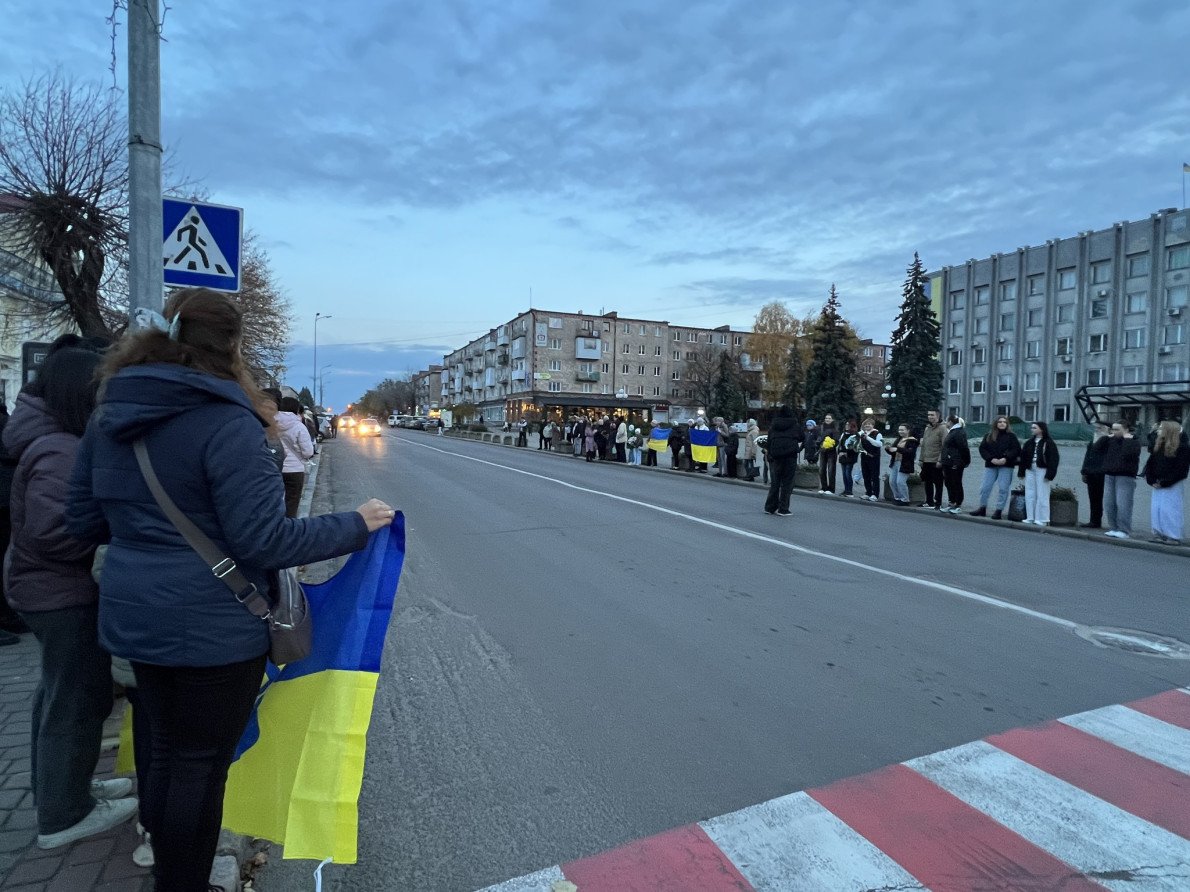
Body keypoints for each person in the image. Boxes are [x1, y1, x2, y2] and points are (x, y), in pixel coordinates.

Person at [66, 288, 396, 891]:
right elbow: (265, 541)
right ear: (233, 348)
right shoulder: (226, 423)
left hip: (134, 621)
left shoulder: (110, 416)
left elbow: (81, 524)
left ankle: (170, 875)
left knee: (162, 756)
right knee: (198, 768)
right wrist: (353, 525)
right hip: (213, 630)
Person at [5, 347, 141, 849]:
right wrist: (112, 521)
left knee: (59, 694)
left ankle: (63, 789)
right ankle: (64, 815)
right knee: (77, 700)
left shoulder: (50, 441)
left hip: (43, 590)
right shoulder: (62, 450)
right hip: (59, 594)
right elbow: (56, 534)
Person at [1143, 420, 1190, 545]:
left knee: (1171, 509)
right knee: (1157, 508)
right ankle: (1158, 532)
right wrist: (1151, 479)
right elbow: (1150, 464)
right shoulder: (1159, 445)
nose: (1158, 431)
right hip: (1157, 482)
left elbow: (1181, 470)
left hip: (1172, 483)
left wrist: (1165, 482)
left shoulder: (1183, 447)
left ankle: (1173, 535)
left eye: (1161, 428)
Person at [1097, 419, 1142, 539]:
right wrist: (1106, 437)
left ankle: (1124, 529)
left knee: (1123, 504)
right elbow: (1096, 448)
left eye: (1117, 429)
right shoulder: (1110, 440)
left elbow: (1128, 454)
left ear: (1126, 430)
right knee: (1109, 503)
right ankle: (1113, 527)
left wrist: (1127, 439)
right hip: (1109, 474)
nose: (1114, 431)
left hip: (1125, 476)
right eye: (1113, 429)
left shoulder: (1133, 441)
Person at [971, 415, 1021, 519]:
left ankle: (998, 510)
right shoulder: (989, 436)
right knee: (985, 487)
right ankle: (982, 508)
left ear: (1007, 424)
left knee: (1003, 488)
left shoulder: (1012, 436)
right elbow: (983, 449)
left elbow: (1016, 449)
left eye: (1004, 422)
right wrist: (991, 459)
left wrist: (1005, 458)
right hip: (991, 465)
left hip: (1006, 466)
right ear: (995, 424)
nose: (1002, 423)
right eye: (1000, 422)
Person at [278, 396, 315, 518]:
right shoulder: (299, 426)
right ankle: (288, 530)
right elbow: (308, 452)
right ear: (296, 409)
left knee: (275, 502)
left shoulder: (270, 423)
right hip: (295, 470)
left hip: (275, 468)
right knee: (292, 503)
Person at [1017, 421, 1060, 525]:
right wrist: (1021, 471)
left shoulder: (1049, 442)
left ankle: (1043, 519)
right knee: (1030, 493)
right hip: (1030, 469)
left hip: (1042, 469)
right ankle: (1030, 517)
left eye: (1034, 428)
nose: (1032, 429)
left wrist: (1050, 474)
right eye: (1032, 428)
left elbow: (1054, 459)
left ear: (1042, 429)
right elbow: (1023, 457)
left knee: (1042, 494)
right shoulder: (1029, 442)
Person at [763, 406, 798, 516]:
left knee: (775, 483)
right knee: (787, 484)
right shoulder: (794, 425)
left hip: (776, 457)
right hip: (790, 457)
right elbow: (802, 437)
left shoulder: (774, 425)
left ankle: (770, 507)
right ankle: (783, 509)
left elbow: (769, 440)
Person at [1079, 422, 1109, 529]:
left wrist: (1105, 435)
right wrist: (1084, 471)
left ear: (1105, 429)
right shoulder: (1093, 440)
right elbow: (1087, 456)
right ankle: (1094, 520)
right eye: (1096, 428)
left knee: (1099, 498)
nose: (1097, 429)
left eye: (1100, 428)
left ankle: (1097, 521)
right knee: (1093, 498)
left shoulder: (1107, 440)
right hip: (1090, 472)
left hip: (1101, 473)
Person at [940, 415, 970, 513]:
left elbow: (963, 448)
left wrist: (964, 461)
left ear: (950, 422)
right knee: (948, 482)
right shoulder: (952, 432)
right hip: (948, 462)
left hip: (955, 462)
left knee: (956, 482)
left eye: (946, 421)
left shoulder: (958, 432)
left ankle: (958, 504)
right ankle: (951, 502)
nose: (945, 423)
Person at [918, 409, 947, 509]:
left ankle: (937, 502)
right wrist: (921, 459)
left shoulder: (942, 428)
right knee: (927, 481)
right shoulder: (927, 428)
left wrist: (940, 460)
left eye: (932, 415)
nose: (930, 417)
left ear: (938, 416)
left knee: (938, 483)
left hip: (935, 461)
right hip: (926, 460)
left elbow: (944, 446)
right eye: (928, 415)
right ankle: (929, 501)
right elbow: (924, 445)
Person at [885, 424, 919, 505]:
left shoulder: (913, 441)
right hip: (895, 462)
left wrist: (897, 449)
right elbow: (893, 451)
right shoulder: (899, 439)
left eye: (902, 430)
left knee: (900, 482)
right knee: (892, 481)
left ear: (908, 430)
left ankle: (905, 499)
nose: (900, 431)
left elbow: (910, 452)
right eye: (899, 430)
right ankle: (897, 498)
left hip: (905, 464)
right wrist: (888, 449)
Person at [858, 419, 883, 501]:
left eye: (869, 424)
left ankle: (875, 494)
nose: (867, 426)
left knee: (874, 476)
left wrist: (868, 438)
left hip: (874, 457)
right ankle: (868, 492)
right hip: (864, 457)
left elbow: (879, 444)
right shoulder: (862, 434)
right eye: (866, 424)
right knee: (866, 475)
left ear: (873, 425)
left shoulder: (877, 434)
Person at [817, 414, 839, 494]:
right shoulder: (821, 428)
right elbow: (819, 438)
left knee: (831, 471)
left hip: (831, 452)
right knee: (821, 470)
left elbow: (836, 441)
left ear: (832, 420)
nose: (827, 419)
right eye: (826, 418)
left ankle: (831, 489)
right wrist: (820, 444)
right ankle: (824, 487)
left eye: (829, 418)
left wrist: (829, 446)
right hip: (823, 452)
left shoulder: (835, 429)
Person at [838, 420, 859, 497]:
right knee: (844, 474)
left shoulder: (855, 435)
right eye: (846, 424)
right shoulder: (843, 434)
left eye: (848, 424)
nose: (846, 426)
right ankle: (846, 489)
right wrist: (839, 452)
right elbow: (840, 444)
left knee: (848, 473)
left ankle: (849, 491)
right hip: (842, 457)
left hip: (850, 457)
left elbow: (855, 447)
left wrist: (845, 452)